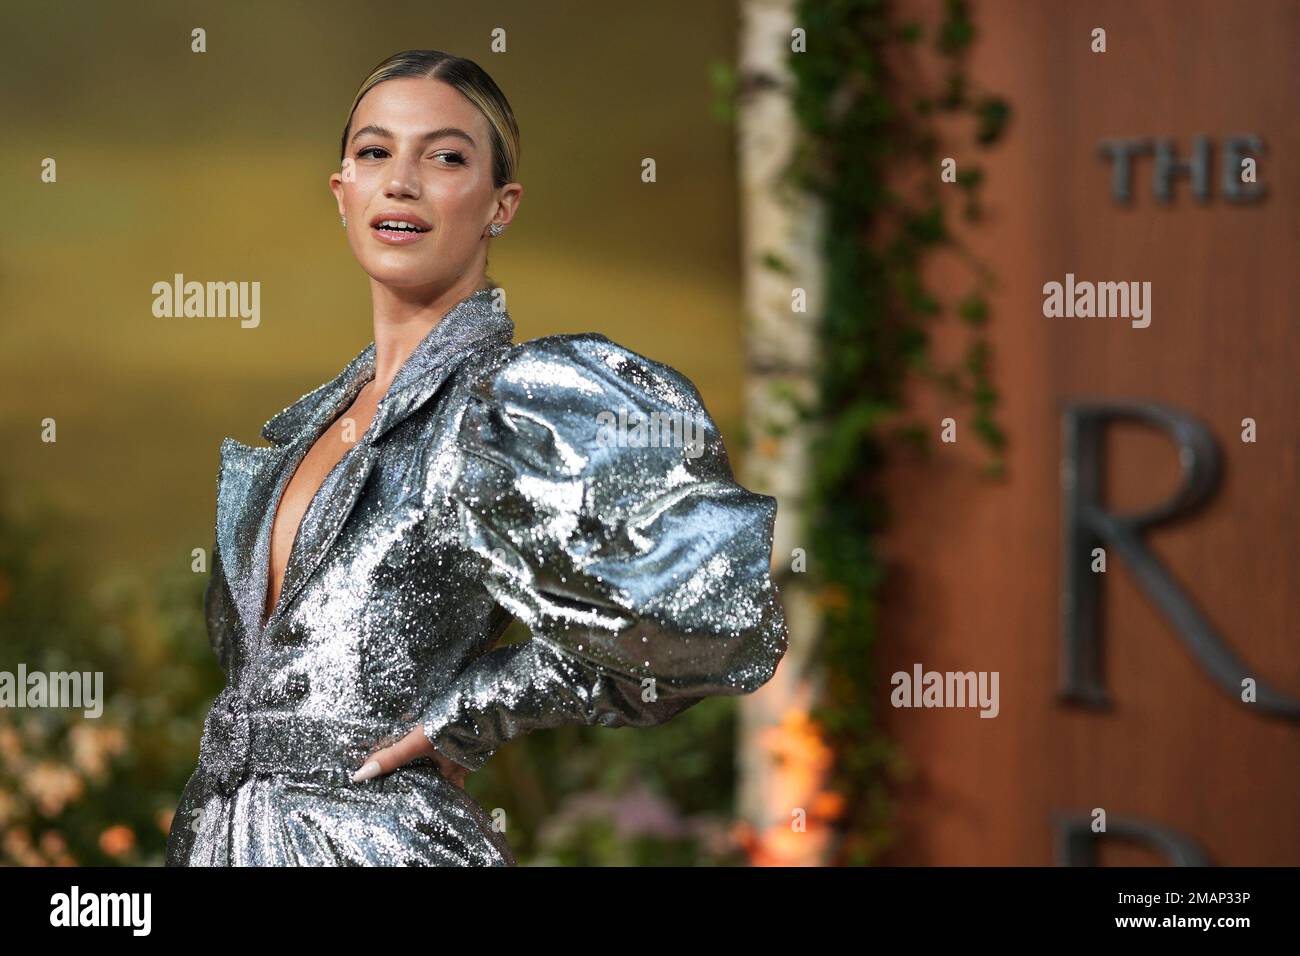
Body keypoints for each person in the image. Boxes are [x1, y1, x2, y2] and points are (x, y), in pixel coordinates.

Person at [164, 49, 787, 866]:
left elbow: (714, 617)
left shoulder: (516, 407)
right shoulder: (308, 430)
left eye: (446, 157)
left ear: (502, 204)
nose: (402, 181)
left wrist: (477, 709)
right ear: (341, 190)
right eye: (375, 152)